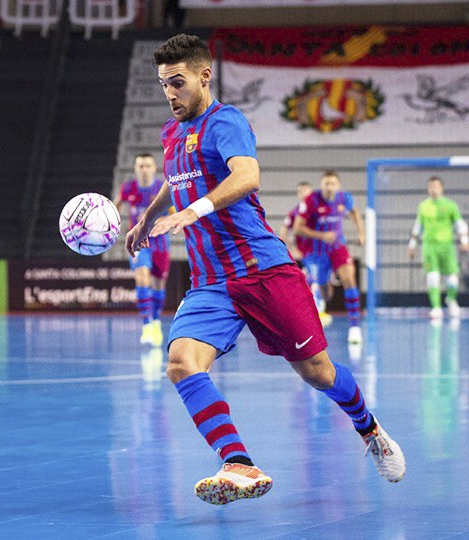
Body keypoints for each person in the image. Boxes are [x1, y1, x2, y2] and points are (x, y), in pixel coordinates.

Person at [125, 34, 404, 505]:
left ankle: (369, 429)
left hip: (263, 270)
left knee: (317, 372)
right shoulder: (171, 134)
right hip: (211, 282)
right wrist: (150, 216)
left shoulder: (225, 121)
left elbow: (247, 175)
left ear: (203, 75)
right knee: (180, 363)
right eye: (163, 84)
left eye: (178, 82)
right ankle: (239, 462)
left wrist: (191, 213)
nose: (170, 93)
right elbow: (178, 181)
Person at [294, 171, 365, 344]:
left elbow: (355, 213)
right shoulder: (311, 201)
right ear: (321, 185)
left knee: (349, 279)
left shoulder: (344, 198)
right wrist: (321, 235)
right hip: (318, 252)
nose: (330, 187)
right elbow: (297, 229)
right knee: (326, 292)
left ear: (338, 186)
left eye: (333, 183)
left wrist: (361, 233)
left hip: (338, 247)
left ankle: (355, 328)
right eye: (326, 183)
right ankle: (321, 299)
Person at [115, 152, 169, 346]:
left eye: (147, 165)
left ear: (154, 168)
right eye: (140, 166)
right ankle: (146, 325)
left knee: (158, 284)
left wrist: (154, 221)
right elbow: (115, 207)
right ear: (136, 169)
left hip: (160, 242)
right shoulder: (128, 188)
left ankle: (155, 322)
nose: (144, 169)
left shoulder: (162, 188)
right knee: (142, 277)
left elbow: (175, 213)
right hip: (139, 242)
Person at [408, 176, 469, 320]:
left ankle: (451, 300)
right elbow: (418, 226)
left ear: (441, 188)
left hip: (447, 247)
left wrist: (464, 240)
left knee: (452, 278)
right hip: (430, 247)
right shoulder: (423, 206)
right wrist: (412, 245)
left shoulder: (450, 205)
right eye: (431, 187)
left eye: (436, 186)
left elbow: (459, 223)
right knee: (433, 277)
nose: (433, 189)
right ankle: (436, 307)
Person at [280, 181, 332, 326]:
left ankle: (319, 308)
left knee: (322, 283)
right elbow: (284, 229)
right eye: (301, 191)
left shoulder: (320, 210)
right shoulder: (295, 212)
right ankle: (313, 312)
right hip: (304, 255)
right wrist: (287, 248)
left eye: (306, 191)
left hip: (321, 254)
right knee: (309, 281)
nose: (304, 194)